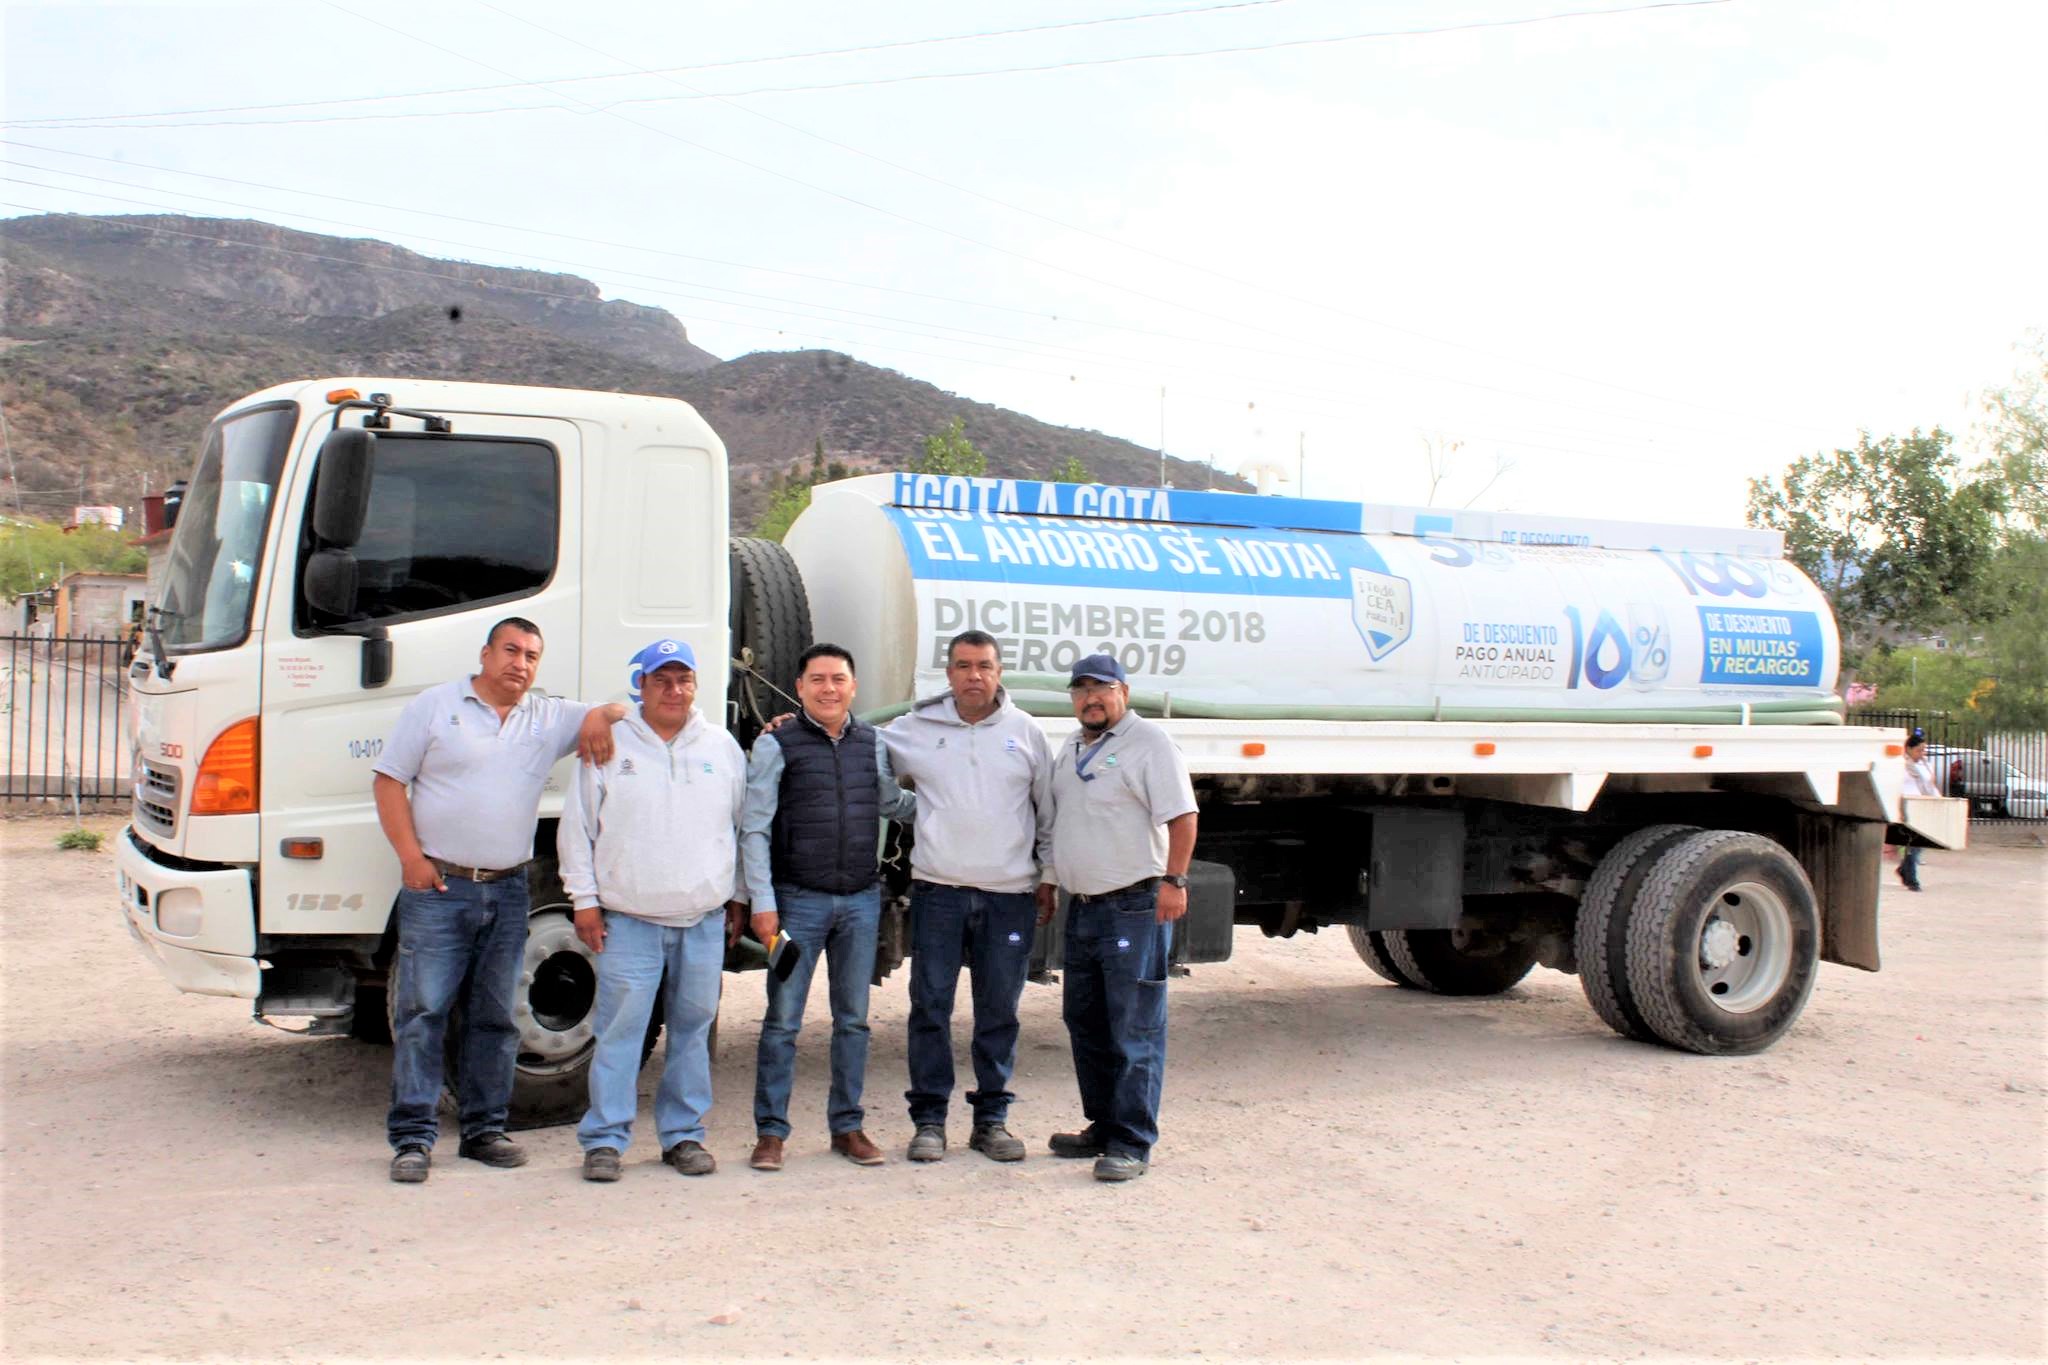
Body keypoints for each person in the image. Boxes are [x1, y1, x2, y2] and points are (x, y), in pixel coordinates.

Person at [372, 616, 626, 1184]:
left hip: (510, 889)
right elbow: (389, 780)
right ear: (485, 654)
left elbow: (619, 707)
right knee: (423, 1014)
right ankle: (412, 1139)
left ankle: (485, 1130)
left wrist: (596, 718)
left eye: (532, 656)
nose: (521, 663)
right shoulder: (436, 707)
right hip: (439, 886)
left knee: (495, 1017)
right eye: (511, 651)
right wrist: (411, 857)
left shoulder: (544, 716)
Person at [559, 639, 748, 1182]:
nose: (674, 690)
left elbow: (738, 829)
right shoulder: (607, 746)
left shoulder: (722, 747)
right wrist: (585, 903)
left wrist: (736, 895)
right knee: (620, 1031)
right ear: (639, 685)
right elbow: (578, 829)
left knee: (693, 1029)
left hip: (703, 921)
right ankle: (604, 1140)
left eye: (683, 679)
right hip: (631, 922)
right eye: (661, 680)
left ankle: (684, 1136)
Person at [883, 629, 1055, 1164]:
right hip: (939, 893)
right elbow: (853, 751)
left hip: (1009, 896)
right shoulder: (914, 730)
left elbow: (1047, 813)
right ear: (949, 673)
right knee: (930, 1007)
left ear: (999, 672)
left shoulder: (1026, 733)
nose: (973, 675)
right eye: (962, 666)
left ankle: (992, 1121)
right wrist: (916, 812)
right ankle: (929, 1122)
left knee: (998, 1011)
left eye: (984, 665)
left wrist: (1047, 876)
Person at [741, 643, 914, 1171]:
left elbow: (891, 802)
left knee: (853, 1022)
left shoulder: (873, 743)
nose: (828, 688)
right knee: (783, 1022)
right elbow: (754, 826)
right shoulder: (777, 745)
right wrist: (763, 903)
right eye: (817, 679)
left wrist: (956, 801)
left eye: (838, 679)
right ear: (799, 688)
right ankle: (771, 1134)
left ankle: (848, 1128)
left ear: (853, 687)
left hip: (861, 903)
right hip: (797, 906)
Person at [1040, 652, 1197, 1183]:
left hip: (1134, 904)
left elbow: (1183, 817)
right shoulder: (1071, 745)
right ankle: (1103, 1126)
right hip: (1083, 907)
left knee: (1134, 1026)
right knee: (1086, 1021)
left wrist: (1174, 882)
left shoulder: (1150, 744)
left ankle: (1132, 1142)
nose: (1091, 698)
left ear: (1123, 692)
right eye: (1081, 690)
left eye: (1101, 689)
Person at [1900, 730, 1940, 892]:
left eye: (1924, 750)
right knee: (1914, 841)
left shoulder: (1924, 765)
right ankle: (1911, 877)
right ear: (1909, 749)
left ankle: (1905, 869)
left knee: (1918, 841)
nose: (1921, 753)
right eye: (1919, 750)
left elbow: (1929, 786)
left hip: (1922, 804)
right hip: (1907, 804)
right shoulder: (1901, 764)